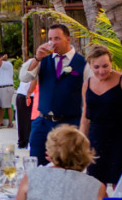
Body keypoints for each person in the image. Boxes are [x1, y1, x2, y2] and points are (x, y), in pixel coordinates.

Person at [18, 23, 90, 165]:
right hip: (42, 122)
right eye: (50, 39)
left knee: (68, 166)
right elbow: (24, 77)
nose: (52, 42)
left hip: (69, 124)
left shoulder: (83, 63)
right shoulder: (43, 59)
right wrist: (37, 58)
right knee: (37, 164)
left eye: (57, 38)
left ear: (68, 39)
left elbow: (91, 93)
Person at [80, 44, 122, 185]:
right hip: (96, 139)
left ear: (111, 62)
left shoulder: (121, 80)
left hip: (119, 138)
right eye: (96, 67)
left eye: (105, 66)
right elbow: (85, 116)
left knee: (119, 184)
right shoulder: (87, 84)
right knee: (95, 184)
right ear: (90, 66)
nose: (101, 71)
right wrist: (80, 141)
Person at [15, 61, 35, 152]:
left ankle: (25, 141)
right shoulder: (32, 67)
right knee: (24, 120)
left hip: (28, 95)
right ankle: (23, 141)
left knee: (27, 120)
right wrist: (29, 93)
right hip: (25, 95)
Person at [0, 52, 16, 127]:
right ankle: (0, 122)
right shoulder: (3, 66)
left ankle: (10, 123)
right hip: (1, 88)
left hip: (6, 88)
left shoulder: (7, 64)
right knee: (1, 106)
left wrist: (3, 57)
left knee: (7, 106)